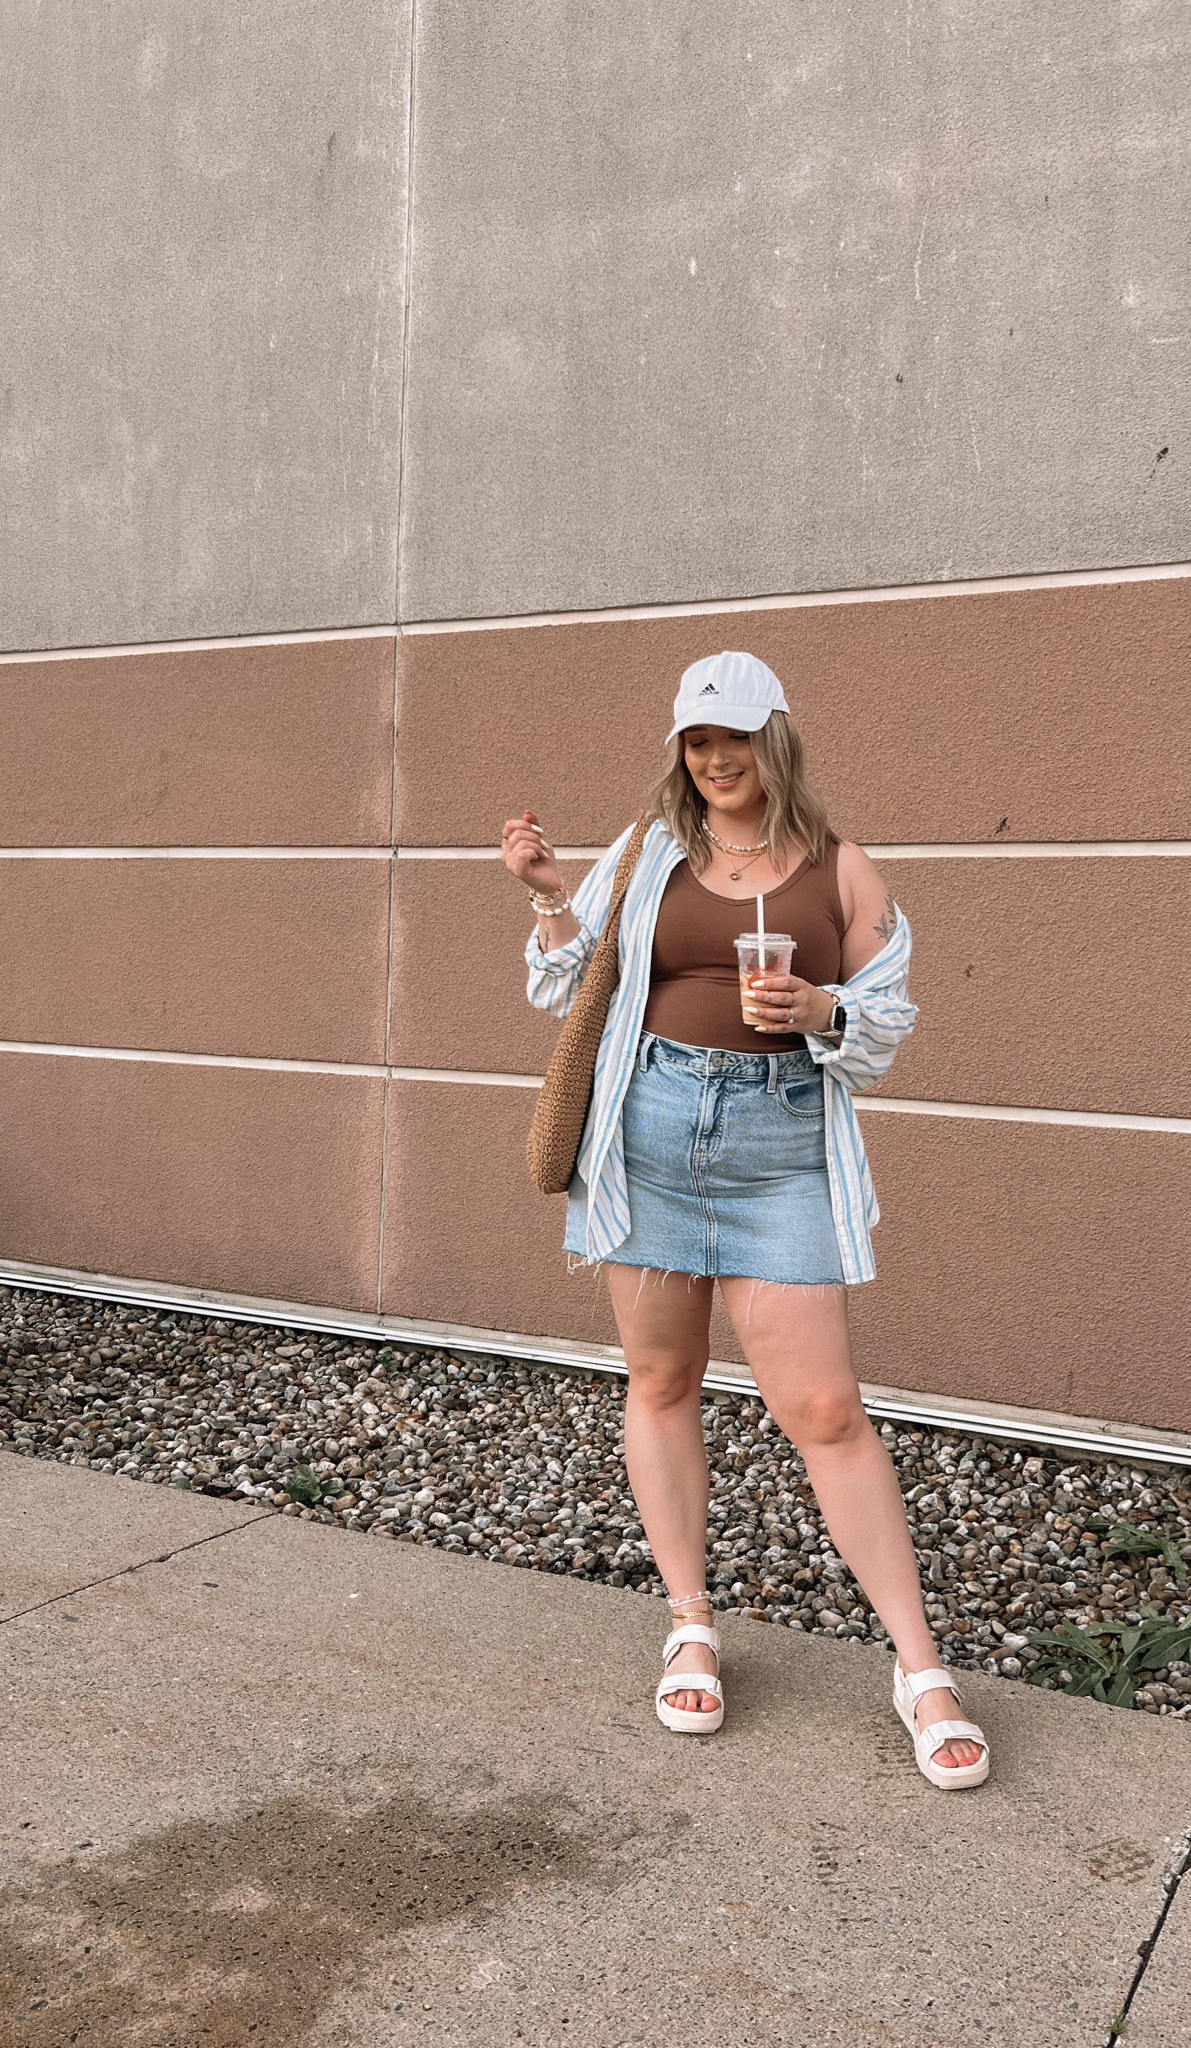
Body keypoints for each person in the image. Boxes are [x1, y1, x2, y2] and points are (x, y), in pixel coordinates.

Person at [502, 650, 988, 1790]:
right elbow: (557, 982)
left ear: (777, 738)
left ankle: (920, 1669)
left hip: (778, 1157)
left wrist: (820, 1006)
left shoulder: (841, 868)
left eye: (734, 737)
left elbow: (886, 1019)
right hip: (648, 1142)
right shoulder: (648, 852)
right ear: (680, 748)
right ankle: (689, 1622)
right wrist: (546, 894)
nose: (715, 760)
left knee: (824, 1408)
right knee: (661, 1380)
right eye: (695, 740)